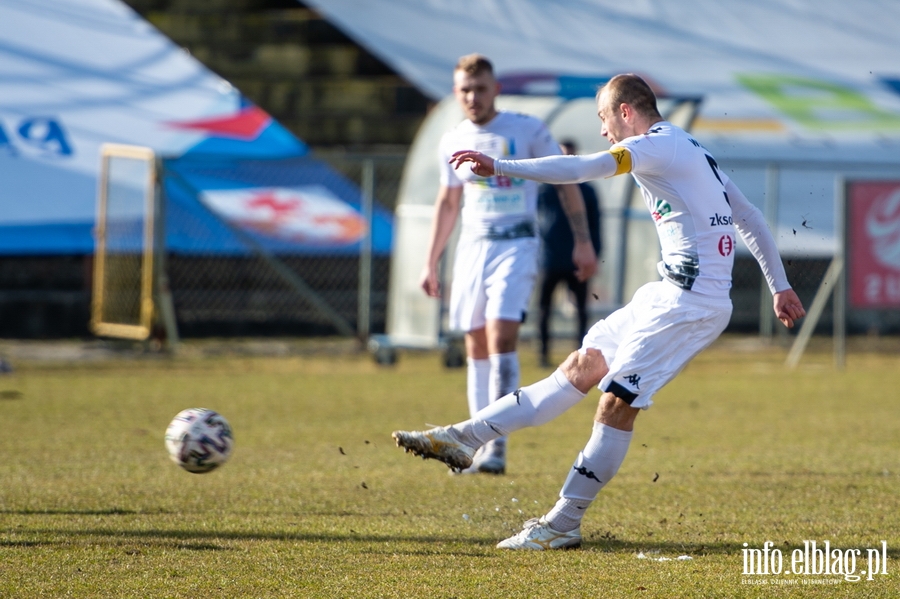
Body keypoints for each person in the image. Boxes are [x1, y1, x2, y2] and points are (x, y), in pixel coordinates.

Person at [394, 73, 806, 549]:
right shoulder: (686, 146)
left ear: (626, 111)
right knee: (581, 366)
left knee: (615, 403)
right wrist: (780, 285)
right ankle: (465, 438)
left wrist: (500, 165)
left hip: (691, 304)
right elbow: (748, 216)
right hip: (666, 293)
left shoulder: (654, 146)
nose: (604, 130)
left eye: (604, 118)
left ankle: (563, 523)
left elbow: (582, 167)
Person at [420, 54, 597, 474]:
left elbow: (566, 180)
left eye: (480, 88)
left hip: (517, 241)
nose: (472, 96)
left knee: (502, 335)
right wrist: (431, 262)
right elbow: (447, 203)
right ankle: (472, 444)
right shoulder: (452, 139)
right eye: (465, 89)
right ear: (455, 92)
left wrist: (583, 242)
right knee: (475, 341)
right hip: (472, 247)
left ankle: (495, 446)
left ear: (495, 89)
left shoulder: (528, 129)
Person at [536, 141, 602, 368]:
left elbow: (595, 225)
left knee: (581, 309)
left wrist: (595, 253)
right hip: (549, 258)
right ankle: (543, 354)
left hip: (577, 260)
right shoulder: (545, 189)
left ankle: (582, 353)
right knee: (544, 308)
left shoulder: (587, 191)